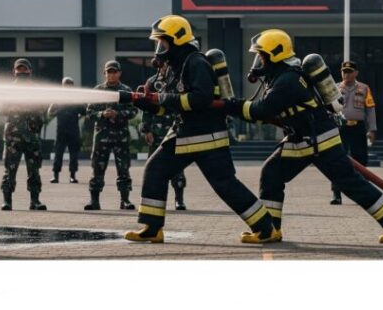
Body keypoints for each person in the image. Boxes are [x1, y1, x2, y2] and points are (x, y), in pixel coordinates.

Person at [222, 29, 383, 244]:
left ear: (275, 55)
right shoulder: (280, 78)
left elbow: (262, 110)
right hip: (301, 139)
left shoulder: (287, 80)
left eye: (262, 56)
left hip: (320, 140)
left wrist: (230, 105)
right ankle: (271, 229)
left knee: (349, 182)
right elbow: (270, 113)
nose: (259, 61)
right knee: (272, 173)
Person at [119, 15, 278, 243]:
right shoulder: (175, 67)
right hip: (186, 132)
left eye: (163, 43)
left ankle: (265, 228)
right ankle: (153, 228)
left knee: (224, 184)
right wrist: (149, 104)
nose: (159, 48)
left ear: (177, 41)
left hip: (206, 135)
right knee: (156, 170)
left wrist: (162, 97)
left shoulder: (196, 62)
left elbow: (200, 99)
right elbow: (172, 106)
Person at [84, 61, 137, 211]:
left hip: (121, 137)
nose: (111, 74)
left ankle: (125, 200)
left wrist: (118, 114)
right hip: (102, 137)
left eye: (114, 72)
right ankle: (94, 201)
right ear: (105, 73)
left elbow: (133, 111)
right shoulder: (98, 91)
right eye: (109, 72)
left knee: (124, 169)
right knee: (97, 169)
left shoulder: (126, 91)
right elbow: (89, 112)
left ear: (119, 73)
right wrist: (102, 114)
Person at [0, 58, 47, 211]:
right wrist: (17, 107)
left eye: (24, 70)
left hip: (32, 136)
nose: (21, 72)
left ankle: (35, 201)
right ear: (14, 72)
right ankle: (7, 201)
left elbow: (44, 108)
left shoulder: (37, 90)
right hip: (13, 137)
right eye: (19, 70)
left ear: (30, 71)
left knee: (34, 170)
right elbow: (1, 108)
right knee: (10, 170)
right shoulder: (8, 90)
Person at [139, 62, 188, 210]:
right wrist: (146, 130)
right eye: (162, 65)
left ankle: (179, 200)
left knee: (178, 166)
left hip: (176, 128)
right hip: (157, 131)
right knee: (155, 167)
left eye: (167, 64)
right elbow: (146, 107)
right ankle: (154, 202)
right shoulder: (152, 82)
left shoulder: (180, 80)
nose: (165, 67)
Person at [329, 60, 377, 205]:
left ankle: (363, 194)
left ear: (356, 73)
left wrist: (372, 129)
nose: (347, 74)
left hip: (358, 128)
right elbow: (328, 110)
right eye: (344, 71)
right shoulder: (334, 88)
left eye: (350, 72)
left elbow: (370, 109)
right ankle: (336, 194)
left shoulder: (364, 88)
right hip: (340, 129)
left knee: (361, 161)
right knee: (337, 161)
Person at [47, 77, 84, 184]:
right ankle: (55, 175)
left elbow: (84, 111)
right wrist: (58, 112)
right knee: (58, 153)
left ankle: (73, 175)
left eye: (69, 85)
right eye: (65, 85)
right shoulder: (57, 99)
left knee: (74, 154)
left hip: (73, 130)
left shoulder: (77, 99)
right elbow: (50, 112)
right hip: (61, 130)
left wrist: (77, 117)